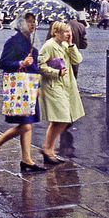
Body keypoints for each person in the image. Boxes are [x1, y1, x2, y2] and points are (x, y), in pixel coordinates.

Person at [0, 12, 46, 173]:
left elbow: (35, 66)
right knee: (26, 125)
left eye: (34, 22)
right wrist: (21, 62)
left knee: (27, 124)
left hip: (30, 86)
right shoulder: (13, 42)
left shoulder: (32, 42)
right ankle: (3, 147)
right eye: (29, 22)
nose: (32, 25)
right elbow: (3, 63)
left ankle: (22, 158)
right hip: (20, 87)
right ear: (21, 23)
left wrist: (38, 85)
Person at [38, 21, 85, 164]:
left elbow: (78, 60)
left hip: (66, 86)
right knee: (62, 118)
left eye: (69, 31)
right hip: (54, 86)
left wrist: (71, 45)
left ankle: (49, 149)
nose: (68, 34)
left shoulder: (65, 45)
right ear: (56, 32)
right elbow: (40, 65)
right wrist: (56, 72)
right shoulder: (49, 45)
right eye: (65, 32)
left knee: (63, 119)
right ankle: (47, 148)